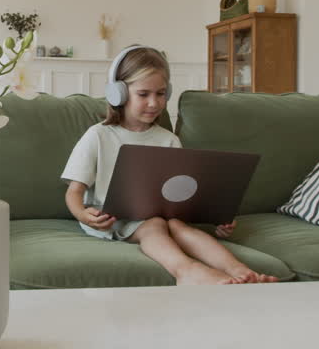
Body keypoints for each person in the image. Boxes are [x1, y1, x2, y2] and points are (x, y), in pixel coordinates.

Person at [61, 45, 278, 285]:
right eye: (143, 94)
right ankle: (185, 270)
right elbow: (74, 192)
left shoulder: (168, 139)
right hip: (112, 221)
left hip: (161, 216)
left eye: (161, 93)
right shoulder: (98, 136)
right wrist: (84, 214)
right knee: (154, 225)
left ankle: (240, 271)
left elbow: (181, 197)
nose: (154, 103)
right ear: (118, 94)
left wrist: (217, 219)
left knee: (177, 225)